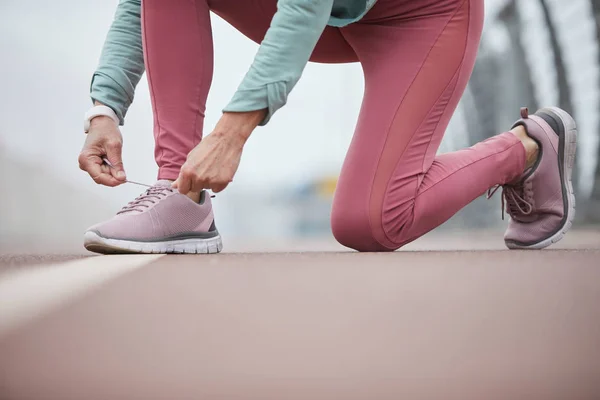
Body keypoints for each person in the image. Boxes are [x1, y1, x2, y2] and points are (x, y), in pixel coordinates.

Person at [80, 0, 577, 254]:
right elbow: (136, 7)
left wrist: (231, 135)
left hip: (421, 16)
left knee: (371, 222)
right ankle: (178, 197)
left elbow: (304, 7)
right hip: (332, 16)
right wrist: (105, 109)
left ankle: (528, 149)